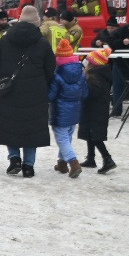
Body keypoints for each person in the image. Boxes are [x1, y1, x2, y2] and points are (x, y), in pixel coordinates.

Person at [0, 5, 56, 178]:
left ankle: (14, 159)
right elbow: (50, 68)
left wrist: (0, 81)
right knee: (31, 128)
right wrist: (42, 84)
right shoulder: (42, 42)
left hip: (10, 91)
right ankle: (28, 165)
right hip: (35, 92)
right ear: (37, 22)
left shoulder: (5, 39)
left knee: (10, 125)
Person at [48, 38, 89, 178]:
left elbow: (51, 96)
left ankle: (73, 162)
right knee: (68, 136)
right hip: (75, 111)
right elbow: (85, 93)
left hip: (60, 111)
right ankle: (62, 163)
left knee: (62, 138)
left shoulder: (57, 75)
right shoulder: (81, 74)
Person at [78, 47, 116, 174]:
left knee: (95, 136)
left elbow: (92, 93)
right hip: (95, 108)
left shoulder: (95, 77)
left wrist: (82, 87)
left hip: (96, 109)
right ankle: (91, 158)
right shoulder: (99, 74)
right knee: (90, 133)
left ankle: (108, 159)